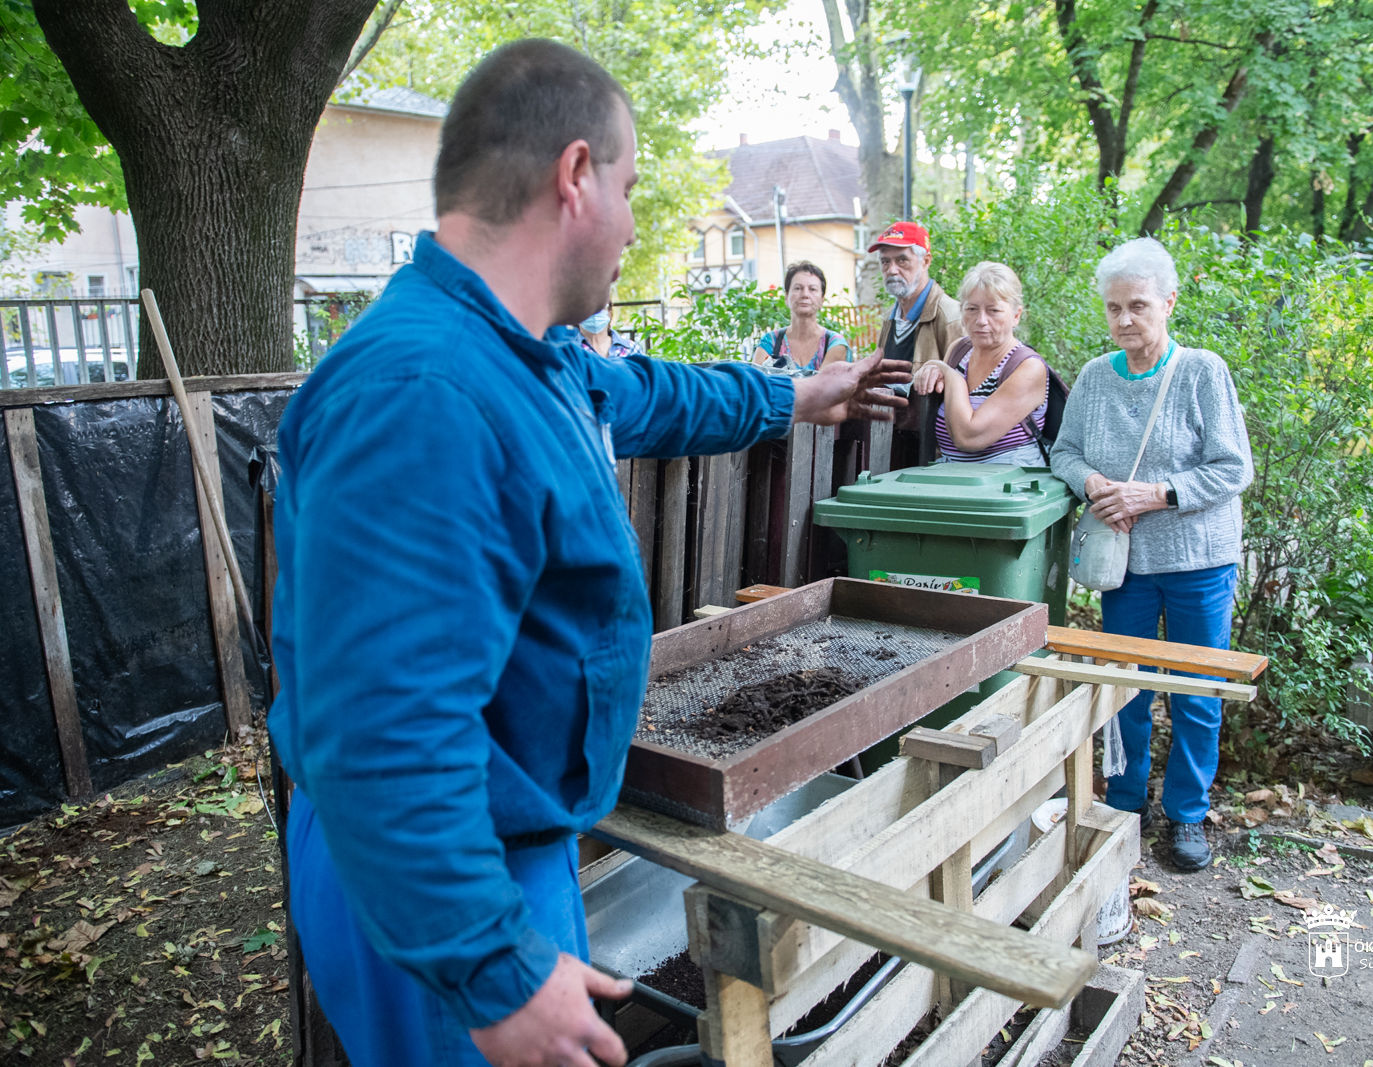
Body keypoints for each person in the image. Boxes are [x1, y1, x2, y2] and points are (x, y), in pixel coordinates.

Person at [268, 39, 911, 1067]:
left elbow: (649, 395)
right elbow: (383, 728)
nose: (633, 224)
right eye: (631, 188)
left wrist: (796, 395)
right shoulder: (419, 395)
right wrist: (491, 965)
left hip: (495, 853)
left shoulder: (528, 357)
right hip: (431, 872)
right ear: (574, 177)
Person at [1049, 237, 1253, 874]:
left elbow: (1233, 467)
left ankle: (1188, 815)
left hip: (1198, 563)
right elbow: (1065, 452)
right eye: (1114, 308)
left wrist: (1157, 493)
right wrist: (1093, 485)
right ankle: (1128, 803)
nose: (1124, 319)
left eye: (1137, 305)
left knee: (1197, 692)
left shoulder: (1201, 371)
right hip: (1127, 567)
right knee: (1127, 692)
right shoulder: (1093, 376)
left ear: (1169, 302)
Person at [911, 261, 1050, 465]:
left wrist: (951, 377)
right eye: (972, 309)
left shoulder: (1028, 366)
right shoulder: (959, 350)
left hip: (1009, 485)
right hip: (955, 479)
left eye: (993, 310)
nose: (981, 320)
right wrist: (931, 370)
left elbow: (968, 437)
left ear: (1016, 316)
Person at [869, 221, 963, 371]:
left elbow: (965, 386)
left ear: (925, 262)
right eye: (885, 261)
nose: (892, 270)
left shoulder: (951, 317)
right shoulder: (890, 318)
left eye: (902, 260)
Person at [753, 261, 851, 376]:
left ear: (822, 299)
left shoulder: (834, 343)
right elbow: (756, 385)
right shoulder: (771, 342)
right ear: (786, 297)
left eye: (813, 289)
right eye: (798, 288)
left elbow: (823, 387)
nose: (805, 294)